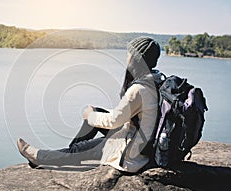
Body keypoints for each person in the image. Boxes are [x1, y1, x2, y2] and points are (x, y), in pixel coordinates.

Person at [17, 36, 163, 173]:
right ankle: (71, 153)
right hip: (141, 138)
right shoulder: (155, 81)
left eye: (129, 54)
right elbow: (126, 114)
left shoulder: (139, 89)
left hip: (133, 151)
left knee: (85, 143)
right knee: (96, 112)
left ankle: (40, 157)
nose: (127, 57)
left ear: (136, 58)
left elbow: (114, 121)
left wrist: (90, 116)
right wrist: (94, 114)